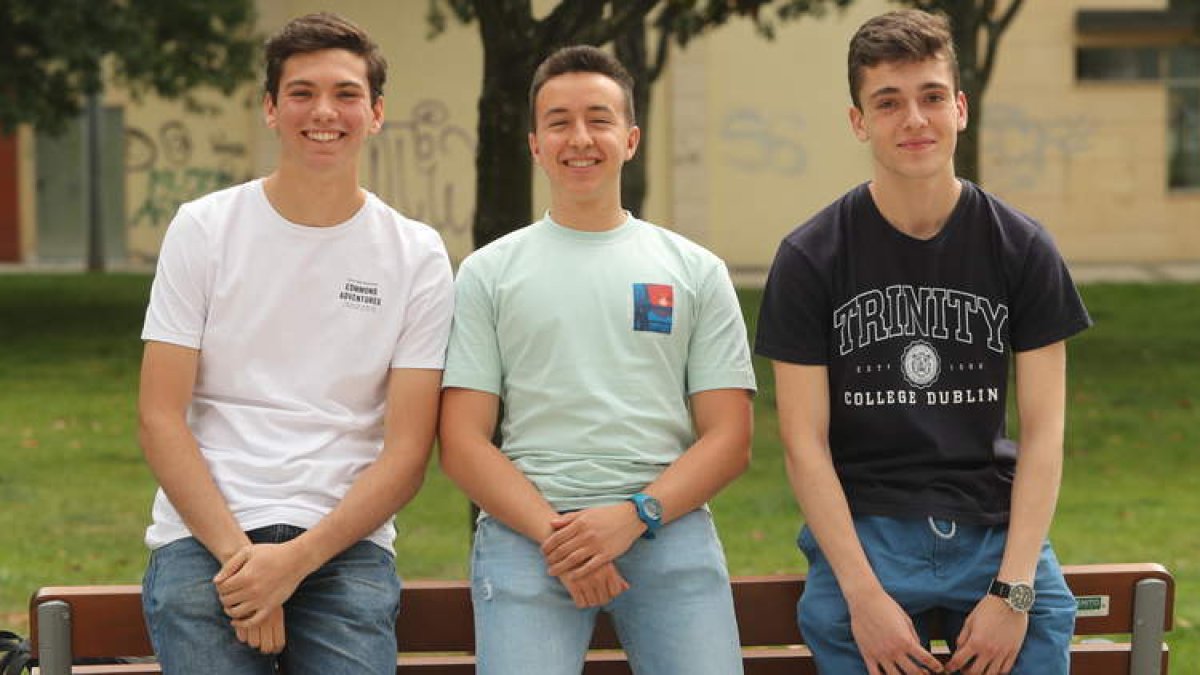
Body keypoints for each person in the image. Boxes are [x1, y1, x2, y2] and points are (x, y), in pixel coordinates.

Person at [755, 9, 1092, 675]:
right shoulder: (810, 257)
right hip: (867, 531)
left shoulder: (1021, 246)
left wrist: (1015, 588)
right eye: (888, 101)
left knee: (1047, 609)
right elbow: (803, 441)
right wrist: (861, 594)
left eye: (932, 96)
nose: (914, 119)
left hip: (994, 532)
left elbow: (1046, 429)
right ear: (858, 121)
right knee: (838, 618)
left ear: (960, 108)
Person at [137, 12, 454, 674]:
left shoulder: (416, 254)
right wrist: (243, 563)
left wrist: (293, 562)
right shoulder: (204, 229)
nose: (324, 112)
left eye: (346, 94)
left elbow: (406, 453)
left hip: (344, 542)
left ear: (375, 114)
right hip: (204, 539)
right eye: (303, 92)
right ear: (270, 109)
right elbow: (160, 416)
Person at [438, 45, 757, 674]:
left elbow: (731, 437)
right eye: (558, 121)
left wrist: (635, 516)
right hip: (530, 535)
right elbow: (461, 440)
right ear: (535, 143)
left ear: (631, 138)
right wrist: (562, 539)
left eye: (599, 119)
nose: (578, 138)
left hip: (667, 525)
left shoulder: (694, 270)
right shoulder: (488, 273)